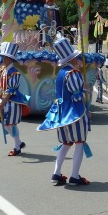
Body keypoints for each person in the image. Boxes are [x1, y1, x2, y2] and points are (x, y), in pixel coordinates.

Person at [38, 37, 92, 186]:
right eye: (77, 58)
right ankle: (75, 175)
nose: (80, 60)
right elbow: (76, 96)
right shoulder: (73, 73)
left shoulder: (61, 73)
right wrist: (85, 89)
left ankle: (56, 173)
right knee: (79, 142)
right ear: (73, 59)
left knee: (66, 143)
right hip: (74, 113)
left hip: (61, 112)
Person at [0, 42, 29, 157]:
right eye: (3, 56)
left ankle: (17, 146)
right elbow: (2, 85)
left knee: (10, 124)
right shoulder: (3, 70)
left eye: (5, 57)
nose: (3, 58)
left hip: (12, 102)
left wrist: (2, 103)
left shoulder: (14, 73)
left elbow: (10, 90)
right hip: (6, 101)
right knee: (5, 123)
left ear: (10, 59)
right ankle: (18, 143)